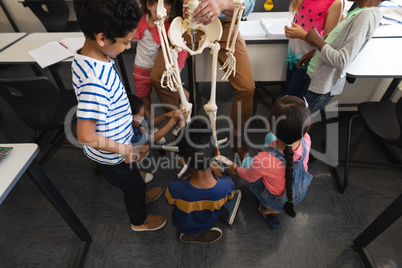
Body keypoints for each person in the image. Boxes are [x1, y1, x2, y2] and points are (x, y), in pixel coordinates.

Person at [72, 0, 166, 232]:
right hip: (113, 154)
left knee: (134, 177)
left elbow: (105, 104)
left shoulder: (93, 57)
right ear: (102, 38)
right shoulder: (95, 81)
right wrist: (123, 149)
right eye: (125, 42)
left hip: (118, 141)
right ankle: (139, 221)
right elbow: (85, 135)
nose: (127, 47)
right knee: (132, 186)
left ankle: (140, 192)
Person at [150, 0, 256, 160]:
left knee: (246, 87)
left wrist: (223, 4)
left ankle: (238, 132)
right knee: (158, 78)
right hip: (183, 23)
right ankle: (181, 123)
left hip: (222, 23)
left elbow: (249, 4)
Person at [229, 96, 313, 229]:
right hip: (300, 192)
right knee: (270, 139)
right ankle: (276, 208)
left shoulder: (264, 160)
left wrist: (235, 168)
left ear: (269, 125)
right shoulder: (306, 140)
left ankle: (271, 209)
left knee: (246, 162)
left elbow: (248, 176)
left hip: (276, 200)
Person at [165, 119, 242, 244]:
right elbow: (228, 196)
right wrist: (216, 169)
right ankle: (203, 230)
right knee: (225, 201)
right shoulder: (227, 185)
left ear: (182, 161)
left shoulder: (174, 187)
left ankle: (189, 233)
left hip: (181, 225)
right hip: (209, 223)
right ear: (216, 152)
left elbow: (171, 203)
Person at [301, 0, 384, 114]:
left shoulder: (366, 16)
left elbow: (342, 60)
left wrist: (317, 40)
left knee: (303, 119)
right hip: (315, 75)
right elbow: (335, 41)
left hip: (321, 84)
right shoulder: (358, 11)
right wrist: (315, 53)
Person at [133, 0, 188, 125]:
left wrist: (177, 72)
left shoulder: (168, 26)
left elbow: (181, 48)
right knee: (144, 103)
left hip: (158, 72)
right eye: (158, 12)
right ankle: (152, 128)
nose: (163, 17)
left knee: (180, 93)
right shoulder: (140, 20)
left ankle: (180, 118)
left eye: (167, 13)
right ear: (148, 6)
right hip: (140, 71)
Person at [284, 0, 344, 98]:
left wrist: (301, 35)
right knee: (288, 96)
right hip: (293, 59)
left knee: (293, 101)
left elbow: (327, 42)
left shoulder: (335, 3)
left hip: (307, 63)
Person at [129, 93, 190, 159]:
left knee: (143, 129)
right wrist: (173, 121)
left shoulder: (134, 120)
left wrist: (166, 116)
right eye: (140, 116)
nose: (143, 118)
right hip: (126, 147)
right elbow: (154, 138)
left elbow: (150, 123)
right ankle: (136, 164)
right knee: (145, 148)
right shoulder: (131, 134)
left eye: (143, 115)